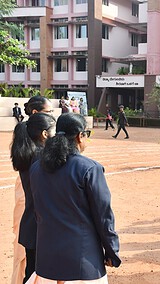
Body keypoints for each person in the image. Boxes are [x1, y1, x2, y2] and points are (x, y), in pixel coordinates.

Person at [27, 113, 121, 282]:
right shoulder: (89, 169)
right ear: (80, 136)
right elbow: (103, 216)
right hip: (83, 261)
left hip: (47, 260)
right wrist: (112, 251)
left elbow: (37, 213)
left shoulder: (36, 169)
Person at [11, 96, 54, 284]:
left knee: (29, 268)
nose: (52, 116)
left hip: (29, 222)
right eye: (48, 113)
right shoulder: (41, 157)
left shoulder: (26, 148)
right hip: (38, 222)